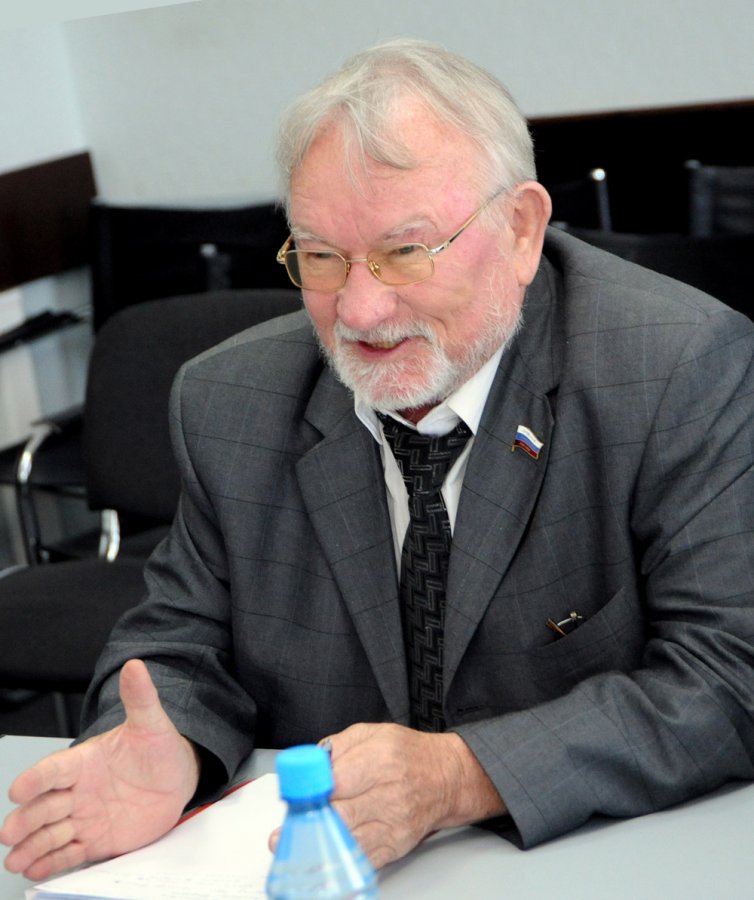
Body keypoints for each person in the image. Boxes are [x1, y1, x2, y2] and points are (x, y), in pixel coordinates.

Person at [3, 37, 754, 882]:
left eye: (406, 252)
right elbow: (182, 643)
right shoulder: (227, 400)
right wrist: (169, 746)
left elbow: (729, 676)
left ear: (520, 230)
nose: (359, 311)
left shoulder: (674, 368)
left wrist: (458, 776)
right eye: (321, 256)